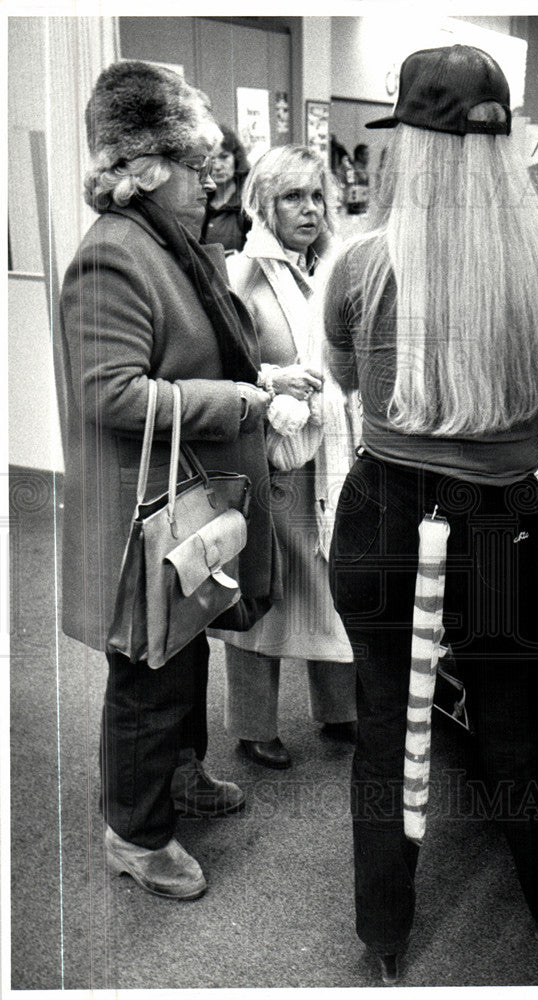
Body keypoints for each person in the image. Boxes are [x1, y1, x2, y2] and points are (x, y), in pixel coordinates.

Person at [323, 45, 538, 983]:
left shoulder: (360, 265)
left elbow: (347, 387)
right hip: (495, 520)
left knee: (382, 722)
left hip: (380, 508)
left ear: (407, 143)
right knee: (510, 721)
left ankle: (383, 933)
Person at [58, 61, 277, 901]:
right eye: (198, 167)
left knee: (181, 654)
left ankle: (179, 779)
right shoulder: (114, 258)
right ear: (149, 168)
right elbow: (110, 394)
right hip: (140, 513)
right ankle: (136, 835)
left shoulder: (168, 245)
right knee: (148, 676)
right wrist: (238, 401)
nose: (210, 183)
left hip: (180, 501)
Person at [211, 145, 359, 769]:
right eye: (293, 197)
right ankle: (252, 726)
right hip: (272, 460)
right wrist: (275, 380)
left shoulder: (331, 266)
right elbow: (221, 369)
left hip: (329, 455)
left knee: (330, 587)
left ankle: (340, 712)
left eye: (317, 196)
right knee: (263, 596)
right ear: (264, 205)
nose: (310, 209)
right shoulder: (240, 274)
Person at [200, 123, 252, 252]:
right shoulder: (198, 199)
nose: (217, 166)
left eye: (224, 157)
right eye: (211, 159)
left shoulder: (249, 201)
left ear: (236, 158)